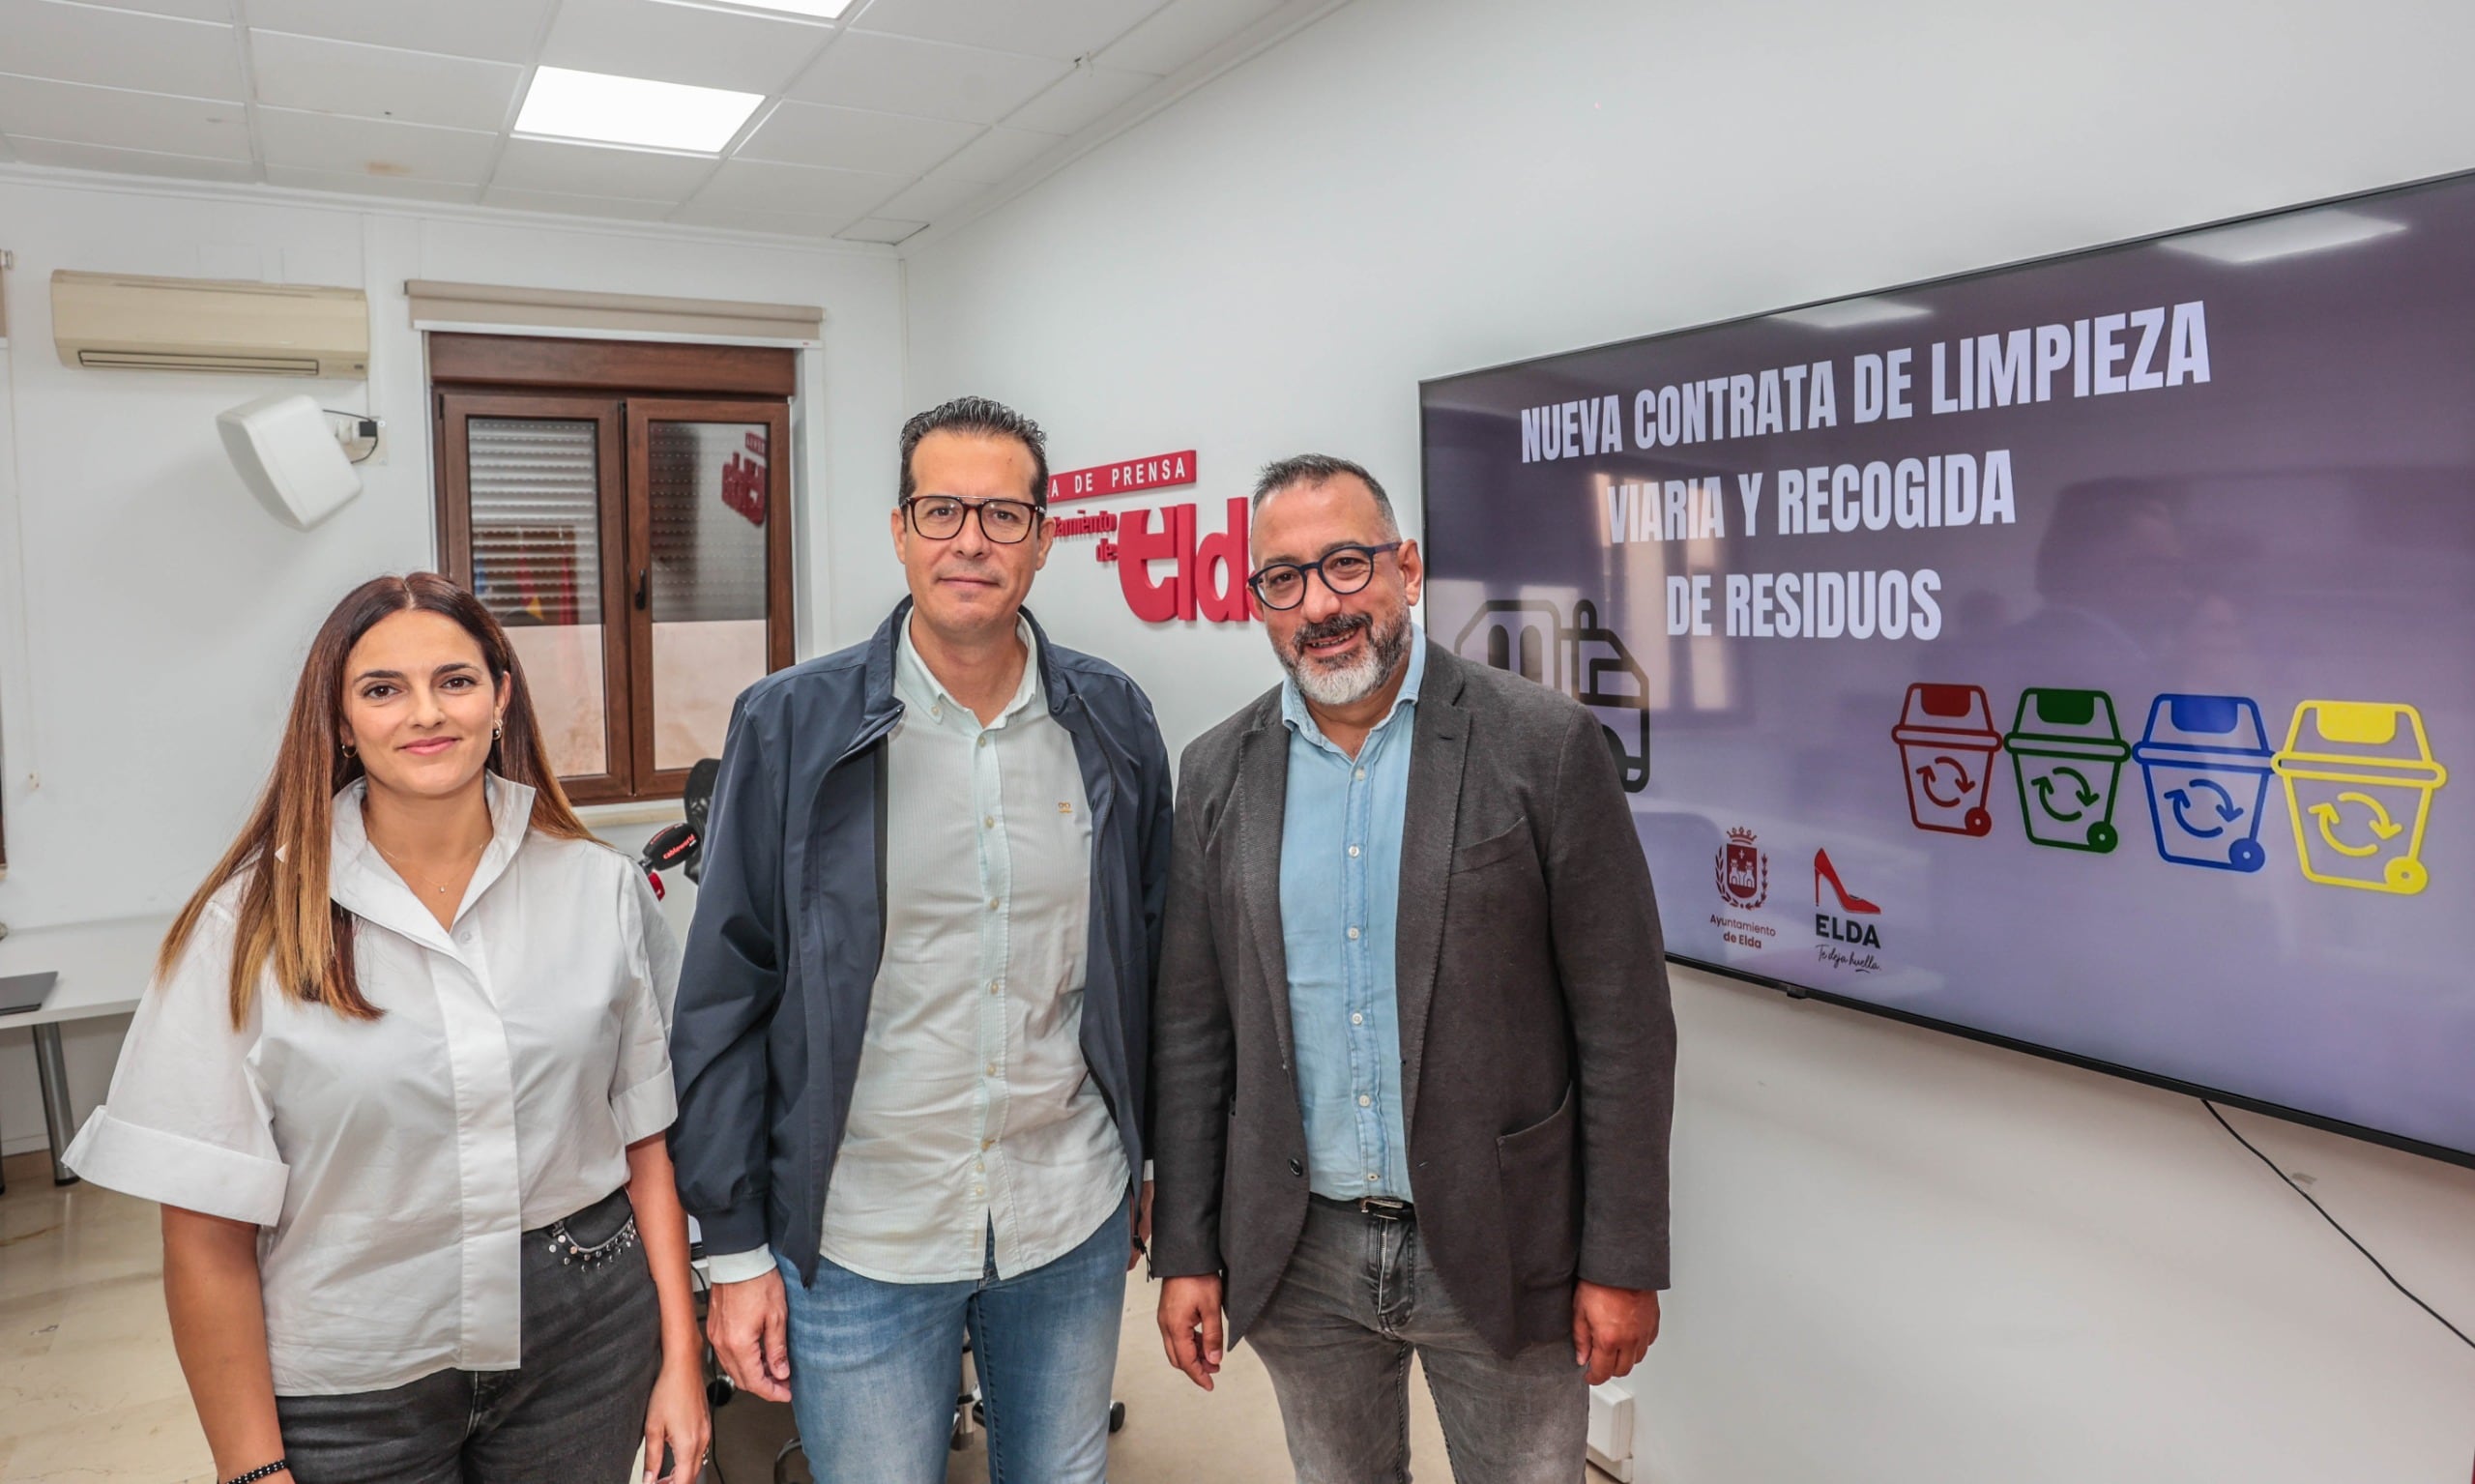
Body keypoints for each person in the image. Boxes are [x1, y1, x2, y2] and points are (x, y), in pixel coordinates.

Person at [64, 573, 708, 1484]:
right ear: (338, 720)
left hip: (586, 1345)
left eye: (454, 680)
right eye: (382, 689)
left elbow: (646, 1138)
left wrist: (680, 1357)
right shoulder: (246, 929)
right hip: (351, 1379)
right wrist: (251, 1468)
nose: (424, 713)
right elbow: (204, 1233)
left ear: (500, 697)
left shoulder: (593, 887)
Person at [669, 395, 1174, 1484]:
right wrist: (736, 1247)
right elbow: (724, 994)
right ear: (899, 529)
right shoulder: (789, 723)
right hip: (862, 1230)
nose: (970, 540)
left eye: (1002, 514)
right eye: (941, 508)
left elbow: (1152, 958)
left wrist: (1150, 1156)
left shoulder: (1113, 720)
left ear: (1044, 539)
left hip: (1066, 1211)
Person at [1150, 454, 1677, 1483]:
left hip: (1501, 1236)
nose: (1321, 604)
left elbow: (1624, 1024)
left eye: (1346, 565)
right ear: (1257, 600)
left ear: (1406, 566)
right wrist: (1186, 1244)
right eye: (1284, 579)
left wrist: (1620, 1257)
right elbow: (1191, 1029)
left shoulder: (1544, 745)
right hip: (1298, 1250)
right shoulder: (1217, 769)